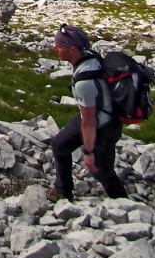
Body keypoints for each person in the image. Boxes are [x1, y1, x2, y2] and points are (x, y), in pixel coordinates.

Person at [48, 25, 127, 202]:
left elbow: (89, 123)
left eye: (59, 46)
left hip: (103, 127)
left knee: (101, 171)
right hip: (96, 116)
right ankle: (63, 191)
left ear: (72, 49)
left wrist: (89, 152)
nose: (55, 49)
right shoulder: (89, 56)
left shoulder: (85, 82)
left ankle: (124, 204)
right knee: (59, 144)